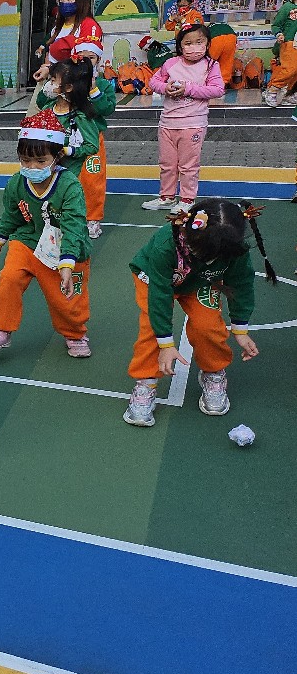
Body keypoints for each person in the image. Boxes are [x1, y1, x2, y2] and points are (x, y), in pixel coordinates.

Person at [122, 200, 277, 427]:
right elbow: (159, 296)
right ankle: (146, 382)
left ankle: (213, 372)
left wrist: (240, 328)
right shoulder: (166, 244)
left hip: (201, 281)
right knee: (151, 329)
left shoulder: (233, 246)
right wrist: (166, 344)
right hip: (155, 280)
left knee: (208, 326)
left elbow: (241, 284)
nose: (209, 259)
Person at [0, 109, 93, 359]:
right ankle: (0, 329)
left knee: (67, 298)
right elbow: (12, 214)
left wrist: (67, 263)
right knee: (9, 278)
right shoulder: (16, 182)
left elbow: (74, 226)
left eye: (40, 161)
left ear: (57, 156)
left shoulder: (70, 186)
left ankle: (75, 333)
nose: (32, 166)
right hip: (27, 241)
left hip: (64, 249)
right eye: (25, 160)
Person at [142, 24, 226, 215]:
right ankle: (167, 197)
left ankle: (187, 199)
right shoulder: (171, 63)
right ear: (180, 46)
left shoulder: (211, 65)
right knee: (167, 164)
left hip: (193, 124)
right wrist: (165, 88)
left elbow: (217, 89)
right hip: (167, 124)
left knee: (188, 165)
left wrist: (188, 89)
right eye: (188, 43)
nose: (193, 47)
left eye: (199, 42)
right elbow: (154, 82)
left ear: (207, 44)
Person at [35, 52, 116, 238]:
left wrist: (93, 90)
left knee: (91, 182)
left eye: (92, 57)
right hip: (60, 149)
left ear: (99, 59)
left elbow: (106, 108)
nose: (87, 61)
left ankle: (91, 219)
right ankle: (56, 218)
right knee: (57, 184)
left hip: (88, 141)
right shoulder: (56, 95)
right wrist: (47, 82)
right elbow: (41, 103)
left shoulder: (99, 86)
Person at [33, 0, 103, 84]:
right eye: (62, 0)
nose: (65, 3)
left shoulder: (89, 25)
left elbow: (87, 58)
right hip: (55, 80)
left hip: (78, 83)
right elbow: (49, 53)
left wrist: (52, 68)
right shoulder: (57, 28)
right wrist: (47, 68)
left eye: (70, 0)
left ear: (81, 2)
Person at [263, 0, 297, 107]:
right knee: (290, 69)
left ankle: (290, 93)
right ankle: (273, 89)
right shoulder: (287, 7)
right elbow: (276, 25)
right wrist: (279, 34)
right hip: (290, 43)